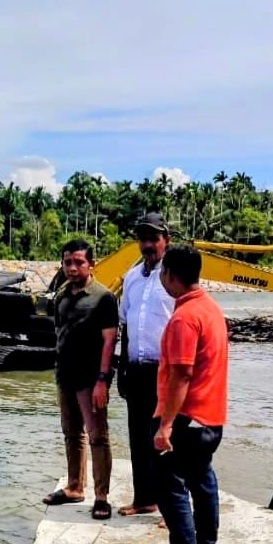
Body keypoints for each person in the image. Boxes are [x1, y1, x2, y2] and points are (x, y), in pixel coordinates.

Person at [144, 244, 228, 544]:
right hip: (212, 417)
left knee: (170, 487)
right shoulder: (211, 310)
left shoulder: (184, 319)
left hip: (186, 418)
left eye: (163, 273)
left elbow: (181, 375)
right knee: (202, 480)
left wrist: (165, 426)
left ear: (170, 276)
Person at [42, 239, 119, 520]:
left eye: (78, 262)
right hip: (65, 375)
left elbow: (109, 341)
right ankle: (75, 487)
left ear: (91, 264)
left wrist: (102, 380)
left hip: (91, 378)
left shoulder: (103, 298)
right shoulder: (61, 296)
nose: (72, 268)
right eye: (67, 262)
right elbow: (59, 334)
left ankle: (101, 496)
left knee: (98, 436)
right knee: (71, 433)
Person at [117, 212, 174, 517]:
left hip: (167, 372)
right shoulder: (131, 277)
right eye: (143, 239)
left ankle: (171, 508)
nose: (148, 245)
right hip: (137, 370)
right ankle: (144, 500)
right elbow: (125, 324)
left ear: (167, 240)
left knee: (167, 439)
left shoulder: (174, 277)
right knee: (138, 437)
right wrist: (122, 369)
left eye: (154, 238)